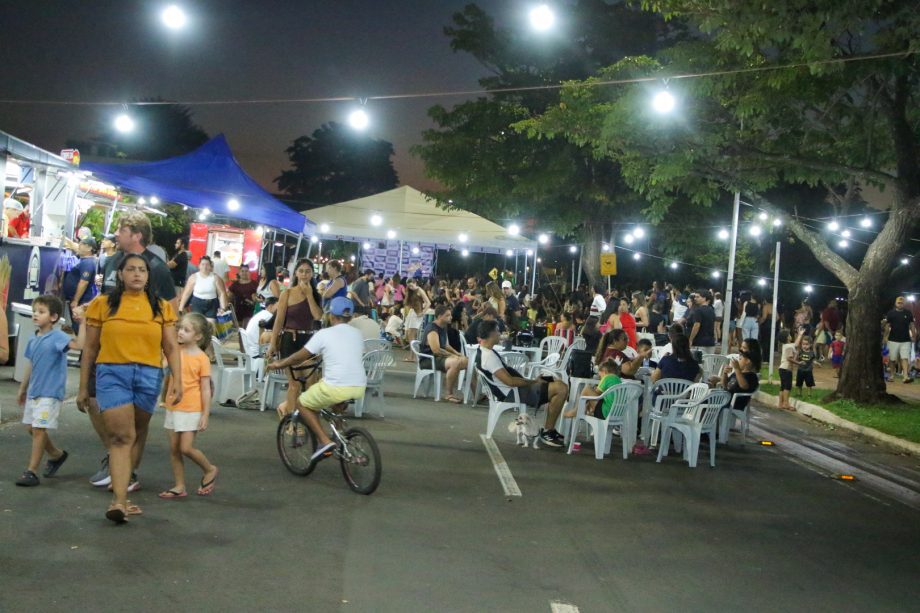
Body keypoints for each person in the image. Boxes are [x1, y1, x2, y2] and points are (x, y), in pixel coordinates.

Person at [78, 253, 183, 523]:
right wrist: (82, 388)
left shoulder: (161, 307)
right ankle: (119, 501)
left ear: (148, 277)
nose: (137, 274)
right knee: (121, 437)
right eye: (131, 269)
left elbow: (171, 347)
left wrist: (178, 382)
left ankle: (125, 485)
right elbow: (89, 349)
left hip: (149, 374)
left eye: (142, 270)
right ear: (120, 274)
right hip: (112, 372)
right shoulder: (102, 305)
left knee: (137, 432)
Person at [267, 297, 367, 462]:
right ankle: (341, 434)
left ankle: (324, 441)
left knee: (302, 402)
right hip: (358, 385)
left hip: (335, 386)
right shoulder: (357, 334)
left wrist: (280, 362)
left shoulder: (324, 334)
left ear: (331, 316)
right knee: (334, 400)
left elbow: (299, 356)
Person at [14, 296, 83, 487]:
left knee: (38, 429)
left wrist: (84, 322)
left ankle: (31, 471)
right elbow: (31, 363)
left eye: (41, 311)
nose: (36, 314)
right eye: (35, 310)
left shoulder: (59, 337)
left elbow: (79, 345)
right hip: (34, 391)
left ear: (53, 317)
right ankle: (56, 454)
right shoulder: (33, 338)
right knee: (32, 427)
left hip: (50, 393)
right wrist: (22, 388)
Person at [476, 319, 569, 447]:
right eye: (498, 331)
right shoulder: (488, 357)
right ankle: (548, 431)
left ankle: (549, 429)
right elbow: (510, 381)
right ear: (491, 334)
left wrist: (533, 381)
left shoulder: (484, 351)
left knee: (556, 382)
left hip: (513, 389)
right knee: (561, 388)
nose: (500, 334)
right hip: (513, 393)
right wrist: (533, 381)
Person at [158, 313, 218, 499]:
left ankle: (210, 469)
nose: (181, 332)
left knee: (186, 448)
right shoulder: (174, 351)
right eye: (180, 328)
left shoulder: (202, 359)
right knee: (174, 449)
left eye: (186, 330)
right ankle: (179, 486)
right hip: (173, 405)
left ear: (198, 336)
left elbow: (206, 389)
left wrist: (205, 414)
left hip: (192, 408)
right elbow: (163, 368)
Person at [268, 258, 324, 417]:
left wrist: (309, 295)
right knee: (294, 385)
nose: (304, 274)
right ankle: (291, 421)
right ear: (296, 273)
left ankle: (301, 416)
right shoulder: (287, 293)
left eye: (308, 271)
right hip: (289, 340)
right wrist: (273, 343)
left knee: (310, 383)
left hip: (308, 341)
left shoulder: (315, 294)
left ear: (312, 273)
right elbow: (279, 320)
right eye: (301, 271)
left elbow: (317, 316)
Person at [102, 212, 178, 309]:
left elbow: (172, 313)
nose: (115, 234)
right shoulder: (112, 260)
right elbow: (104, 297)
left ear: (137, 236)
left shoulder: (158, 268)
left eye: (121, 230)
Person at [419, 305, 468, 403]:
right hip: (429, 359)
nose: (451, 317)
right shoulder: (432, 329)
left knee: (467, 361)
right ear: (439, 316)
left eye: (450, 315)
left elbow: (445, 345)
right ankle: (449, 394)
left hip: (438, 357)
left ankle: (475, 395)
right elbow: (436, 350)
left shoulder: (443, 327)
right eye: (447, 315)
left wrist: (458, 353)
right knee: (455, 362)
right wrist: (453, 356)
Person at [62, 237, 99, 331]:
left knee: (79, 326)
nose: (79, 246)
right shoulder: (84, 260)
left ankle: (81, 345)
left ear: (89, 248)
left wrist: (75, 300)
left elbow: (84, 282)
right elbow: (74, 247)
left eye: (82, 244)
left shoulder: (88, 262)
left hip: (82, 301)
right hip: (78, 300)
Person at [178, 256, 229, 322]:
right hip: (197, 304)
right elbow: (187, 293)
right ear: (199, 266)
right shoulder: (193, 277)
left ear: (211, 266)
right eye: (203, 264)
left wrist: (223, 308)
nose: (205, 267)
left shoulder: (216, 278)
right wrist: (181, 307)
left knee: (211, 325)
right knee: (197, 325)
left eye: (207, 265)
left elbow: (222, 293)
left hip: (212, 304)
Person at [719, 340, 761, 412]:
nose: (739, 360)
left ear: (748, 361)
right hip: (725, 399)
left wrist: (737, 369)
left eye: (740, 359)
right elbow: (725, 385)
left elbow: (744, 386)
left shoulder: (751, 376)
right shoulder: (736, 374)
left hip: (733, 404)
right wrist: (725, 374)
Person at [884, 296, 916, 384]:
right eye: (899, 302)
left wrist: (913, 335)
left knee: (905, 358)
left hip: (905, 340)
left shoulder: (908, 313)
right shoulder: (890, 313)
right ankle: (891, 376)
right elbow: (887, 326)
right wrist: (885, 337)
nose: (900, 304)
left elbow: (912, 325)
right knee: (892, 359)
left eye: (902, 303)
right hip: (893, 339)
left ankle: (905, 376)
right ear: (895, 303)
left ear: (904, 304)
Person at [403, 280, 430, 362]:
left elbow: (428, 303)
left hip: (417, 313)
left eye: (411, 285)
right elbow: (407, 302)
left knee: (412, 336)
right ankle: (413, 356)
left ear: (415, 283)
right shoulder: (411, 291)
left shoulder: (420, 290)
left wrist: (423, 312)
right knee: (409, 335)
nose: (410, 287)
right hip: (412, 312)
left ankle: (413, 357)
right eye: (409, 286)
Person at [687, 290, 717, 354]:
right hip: (711, 342)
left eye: (698, 297)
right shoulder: (712, 310)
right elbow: (714, 326)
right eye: (695, 297)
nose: (695, 299)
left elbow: (696, 325)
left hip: (699, 343)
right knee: (709, 363)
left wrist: (690, 339)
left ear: (704, 298)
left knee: (699, 363)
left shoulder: (698, 310)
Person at [777, 329, 796, 410]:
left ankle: (780, 403)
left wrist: (800, 334)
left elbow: (796, 344)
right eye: (789, 335)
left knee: (782, 386)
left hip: (782, 368)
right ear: (787, 338)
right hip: (786, 369)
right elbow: (789, 358)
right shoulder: (789, 347)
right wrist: (798, 363)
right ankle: (786, 403)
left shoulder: (786, 345)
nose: (790, 335)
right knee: (787, 387)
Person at [794, 334, 817, 399]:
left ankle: (809, 395)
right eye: (803, 344)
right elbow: (795, 359)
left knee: (809, 383)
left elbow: (813, 360)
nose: (804, 346)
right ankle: (799, 394)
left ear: (810, 345)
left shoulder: (812, 353)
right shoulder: (800, 352)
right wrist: (797, 353)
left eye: (806, 344)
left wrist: (816, 363)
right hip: (800, 370)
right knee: (799, 383)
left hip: (808, 370)